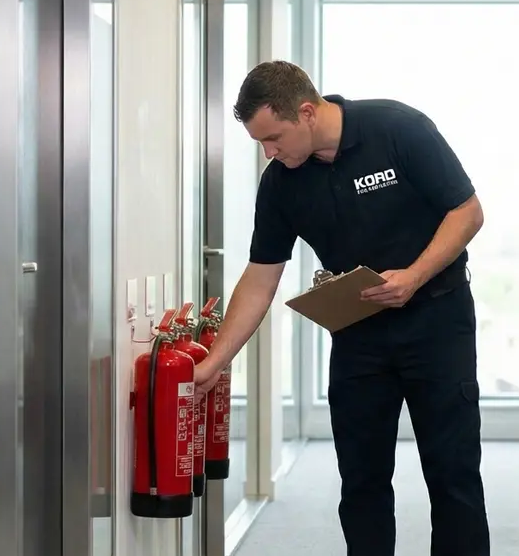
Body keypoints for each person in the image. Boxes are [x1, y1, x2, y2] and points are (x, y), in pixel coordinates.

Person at [193, 60, 490, 555]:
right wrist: (217, 361)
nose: (269, 152)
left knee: (453, 474)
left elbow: (468, 211)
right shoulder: (282, 182)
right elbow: (261, 275)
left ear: (306, 112)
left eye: (274, 137)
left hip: (438, 324)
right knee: (361, 482)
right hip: (358, 334)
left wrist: (414, 277)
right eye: (260, 143)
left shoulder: (398, 130)